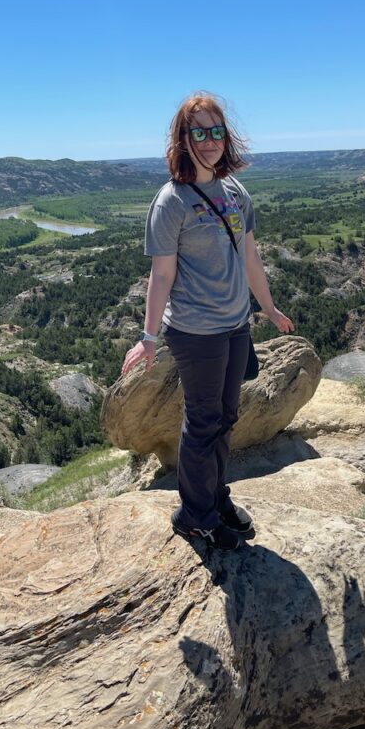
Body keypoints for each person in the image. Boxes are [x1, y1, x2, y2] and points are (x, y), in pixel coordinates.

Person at [121, 92, 294, 551]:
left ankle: (216, 498)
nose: (210, 140)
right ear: (183, 138)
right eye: (199, 132)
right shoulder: (171, 201)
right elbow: (162, 273)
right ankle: (194, 516)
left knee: (227, 416)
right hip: (196, 331)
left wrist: (269, 308)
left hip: (236, 324)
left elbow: (251, 256)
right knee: (203, 421)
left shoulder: (235, 191)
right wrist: (148, 336)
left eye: (216, 130)